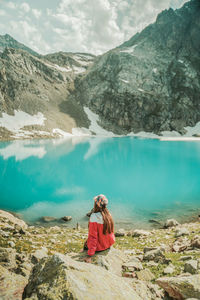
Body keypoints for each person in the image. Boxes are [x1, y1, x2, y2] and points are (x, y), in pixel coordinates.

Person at [83, 194, 115, 263]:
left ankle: (84, 250)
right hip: (108, 244)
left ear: (96, 204)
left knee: (86, 243)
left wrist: (90, 255)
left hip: (100, 247)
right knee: (87, 242)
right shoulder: (108, 214)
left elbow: (93, 237)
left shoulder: (94, 216)